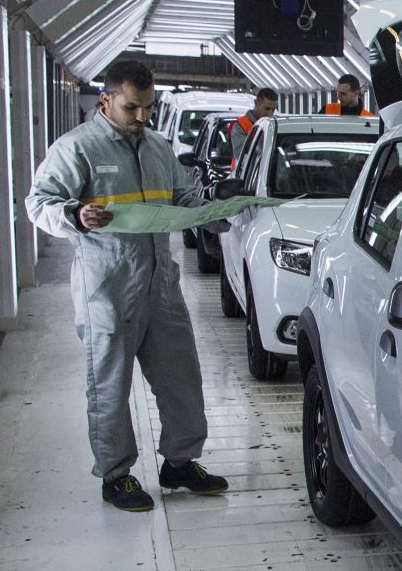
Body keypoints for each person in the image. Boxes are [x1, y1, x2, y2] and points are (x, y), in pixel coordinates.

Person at [25, 60, 229, 513]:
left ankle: (180, 462)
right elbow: (38, 203)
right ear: (106, 99)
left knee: (181, 378)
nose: (142, 118)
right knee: (110, 385)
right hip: (109, 287)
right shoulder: (76, 148)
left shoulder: (159, 147)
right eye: (131, 108)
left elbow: (184, 200)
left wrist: (217, 213)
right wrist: (74, 215)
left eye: (148, 108)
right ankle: (116, 475)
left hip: (161, 285)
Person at [231, 86, 278, 160]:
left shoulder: (275, 125)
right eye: (267, 109)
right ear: (256, 103)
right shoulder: (240, 125)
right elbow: (240, 154)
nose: (270, 113)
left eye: (273, 110)